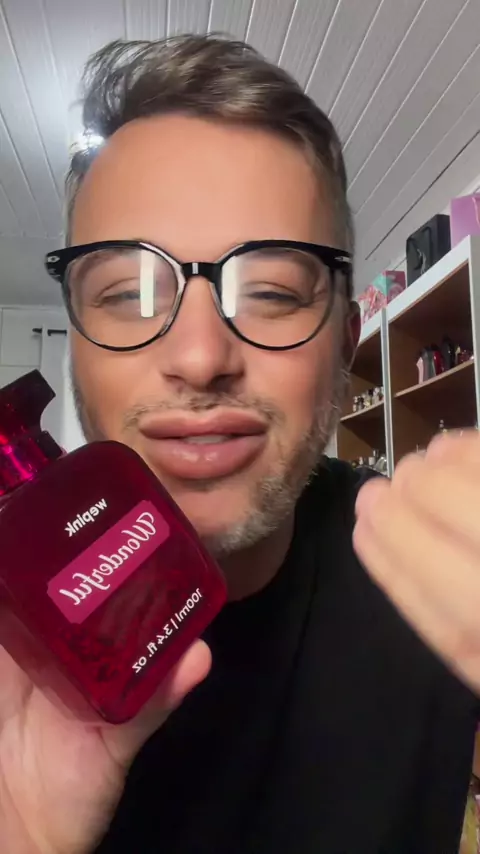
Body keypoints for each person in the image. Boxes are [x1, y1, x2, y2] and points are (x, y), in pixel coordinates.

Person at [1, 34, 479, 854]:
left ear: (345, 344)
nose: (199, 357)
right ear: (75, 346)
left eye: (272, 292)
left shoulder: (446, 584)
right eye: (128, 293)